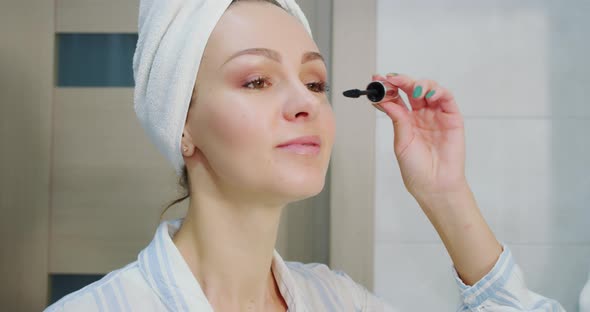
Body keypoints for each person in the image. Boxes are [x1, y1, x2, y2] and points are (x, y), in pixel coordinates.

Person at [45, 0, 565, 311]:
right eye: (256, 80)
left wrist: (445, 193)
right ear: (182, 124)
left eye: (315, 82)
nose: (305, 104)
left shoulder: (337, 300)